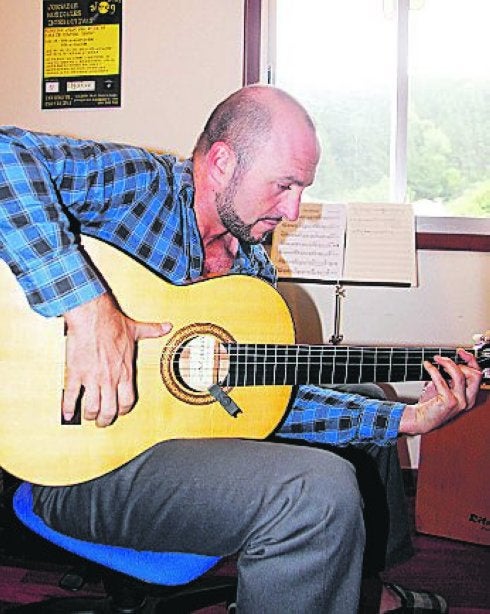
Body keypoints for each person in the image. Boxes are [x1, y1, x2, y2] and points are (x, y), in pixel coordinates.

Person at [0, 85, 482, 614]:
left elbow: (263, 405)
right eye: (284, 185)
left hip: (174, 447)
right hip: (78, 464)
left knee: (367, 396)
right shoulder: (141, 186)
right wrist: (89, 309)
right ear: (223, 162)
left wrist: (405, 420)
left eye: (301, 189)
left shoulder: (251, 265)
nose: (293, 210)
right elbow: (6, 155)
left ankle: (359, 588)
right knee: (317, 491)